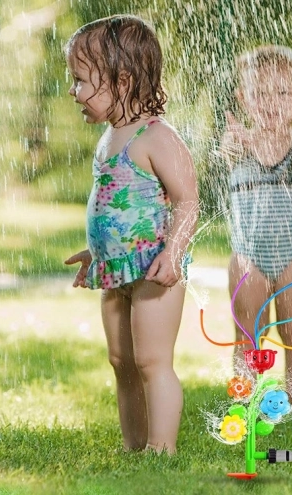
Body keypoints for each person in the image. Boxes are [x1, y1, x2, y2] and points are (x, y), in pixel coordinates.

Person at [62, 14, 198, 455]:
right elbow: (116, 207)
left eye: (81, 81)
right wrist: (97, 251)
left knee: (151, 361)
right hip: (114, 268)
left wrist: (174, 253)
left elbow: (187, 200)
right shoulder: (108, 137)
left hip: (153, 269)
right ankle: (133, 445)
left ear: (122, 82)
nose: (73, 91)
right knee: (121, 362)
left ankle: (162, 449)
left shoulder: (156, 136)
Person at [218, 45, 292, 398]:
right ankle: (246, 400)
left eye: (283, 92)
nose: (271, 101)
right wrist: (234, 145)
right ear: (243, 98)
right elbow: (228, 149)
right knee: (248, 336)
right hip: (247, 257)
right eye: (259, 93)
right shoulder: (237, 140)